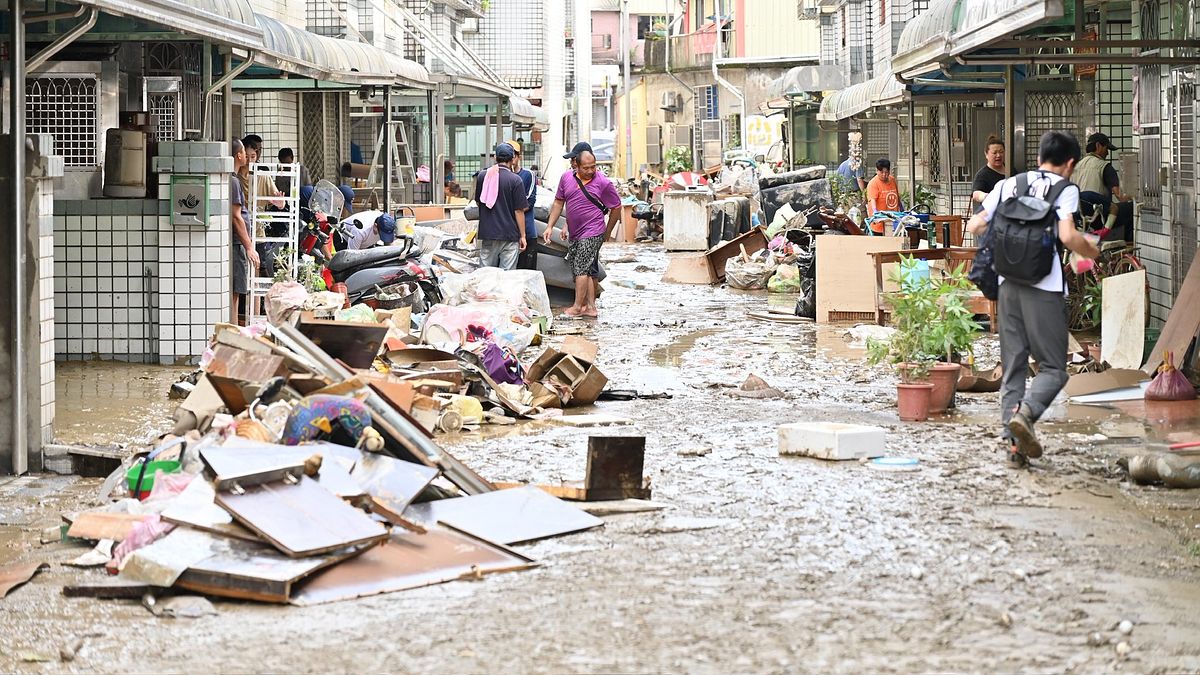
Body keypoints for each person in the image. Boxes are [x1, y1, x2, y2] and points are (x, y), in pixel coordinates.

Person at [966, 131, 1100, 469]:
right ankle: (1025, 415)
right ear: (1070, 163)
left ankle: (1014, 449)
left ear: (1040, 157)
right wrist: (1092, 250)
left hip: (1007, 285)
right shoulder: (1065, 189)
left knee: (1013, 369)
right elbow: (1069, 236)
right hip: (1045, 287)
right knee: (1054, 368)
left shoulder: (1010, 184)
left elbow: (975, 226)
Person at [544, 142, 622, 318]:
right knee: (585, 269)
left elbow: (616, 207)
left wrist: (607, 231)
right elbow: (559, 202)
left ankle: (577, 307)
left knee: (581, 268)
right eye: (586, 168)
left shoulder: (602, 182)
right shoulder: (566, 178)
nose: (590, 171)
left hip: (593, 230)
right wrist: (550, 226)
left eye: (593, 167)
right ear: (575, 166)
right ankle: (591, 307)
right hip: (576, 232)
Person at [472, 143, 529, 270]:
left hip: (488, 233)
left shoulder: (483, 176)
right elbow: (519, 211)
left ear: (495, 157)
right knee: (506, 278)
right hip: (510, 235)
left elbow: (478, 202)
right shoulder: (515, 180)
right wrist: (523, 236)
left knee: (486, 275)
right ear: (512, 159)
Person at [229, 139, 259, 325]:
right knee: (234, 293)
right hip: (237, 243)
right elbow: (236, 216)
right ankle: (232, 330)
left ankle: (232, 329)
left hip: (237, 243)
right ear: (238, 155)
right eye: (243, 152)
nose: (246, 156)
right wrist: (249, 246)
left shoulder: (234, 179)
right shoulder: (233, 181)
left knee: (236, 292)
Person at [1073, 132, 1130, 231]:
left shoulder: (1076, 166)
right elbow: (1121, 197)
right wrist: (1136, 195)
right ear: (1098, 145)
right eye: (1106, 148)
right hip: (1099, 218)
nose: (1107, 153)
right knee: (1130, 208)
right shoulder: (1104, 166)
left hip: (1079, 218)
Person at [506, 139, 539, 271]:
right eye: (508, 154)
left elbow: (528, 203)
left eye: (514, 154)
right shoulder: (498, 176)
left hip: (527, 233)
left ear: (519, 156)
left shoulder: (528, 175)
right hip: (505, 235)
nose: (512, 157)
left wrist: (507, 209)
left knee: (526, 275)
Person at [971, 135, 1007, 209]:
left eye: (1001, 152)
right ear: (986, 154)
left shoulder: (1010, 169)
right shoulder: (982, 175)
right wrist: (987, 196)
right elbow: (976, 194)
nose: (998, 155)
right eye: (994, 153)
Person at [865, 158, 901, 234]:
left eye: (886, 172)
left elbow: (897, 197)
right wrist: (875, 211)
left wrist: (902, 210)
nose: (884, 175)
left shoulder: (892, 180)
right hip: (879, 225)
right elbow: (872, 200)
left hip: (893, 222)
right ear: (876, 171)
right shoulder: (873, 183)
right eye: (881, 172)